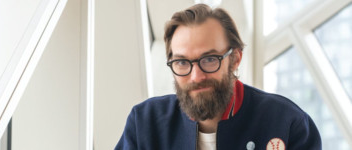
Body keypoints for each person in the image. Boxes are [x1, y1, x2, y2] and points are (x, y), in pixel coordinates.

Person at [115, 4, 321, 150]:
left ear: (235, 58)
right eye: (182, 62)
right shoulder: (144, 123)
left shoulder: (287, 122)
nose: (196, 76)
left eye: (209, 59)